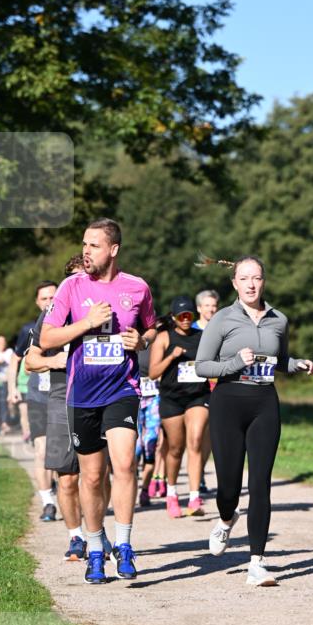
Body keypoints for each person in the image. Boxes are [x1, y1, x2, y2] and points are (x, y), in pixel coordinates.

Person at [40, 219, 156, 584]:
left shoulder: (136, 288)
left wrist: (142, 341)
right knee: (91, 478)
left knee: (124, 464)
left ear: (114, 249)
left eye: (94, 245)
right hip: (82, 395)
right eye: (84, 245)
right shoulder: (72, 286)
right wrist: (86, 322)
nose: (86, 251)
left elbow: (151, 327)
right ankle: (94, 549)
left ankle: (123, 545)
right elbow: (47, 338)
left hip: (121, 390)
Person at [195, 255, 313, 587]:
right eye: (244, 278)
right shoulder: (222, 319)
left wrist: (297, 364)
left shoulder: (279, 319)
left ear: (264, 281)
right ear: (234, 283)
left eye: (257, 278)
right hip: (227, 402)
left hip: (264, 402)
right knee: (229, 487)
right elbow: (202, 366)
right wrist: (234, 362)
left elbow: (278, 360)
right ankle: (225, 519)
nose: (251, 284)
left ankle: (257, 563)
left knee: (261, 482)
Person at [26, 254, 113, 562]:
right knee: (67, 477)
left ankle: (97, 530)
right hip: (62, 397)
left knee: (99, 474)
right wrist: (54, 360)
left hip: (99, 395)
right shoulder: (54, 314)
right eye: (77, 279)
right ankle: (75, 536)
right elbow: (30, 360)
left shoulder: (108, 309)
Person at [149, 296, 211, 517]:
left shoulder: (202, 337)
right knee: (175, 448)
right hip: (172, 398)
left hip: (198, 396)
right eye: (181, 316)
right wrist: (172, 357)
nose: (186, 320)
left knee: (194, 441)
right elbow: (154, 372)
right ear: (174, 317)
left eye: (189, 316)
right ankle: (172, 494)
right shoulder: (164, 338)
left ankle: (194, 497)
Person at [7, 281, 58, 521]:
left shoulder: (69, 326)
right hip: (37, 396)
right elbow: (15, 359)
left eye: (53, 297)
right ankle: (48, 502)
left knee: (62, 452)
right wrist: (12, 389)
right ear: (37, 303)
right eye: (44, 299)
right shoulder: (29, 329)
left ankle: (65, 491)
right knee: (42, 450)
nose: (49, 302)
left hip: (64, 395)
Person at [135, 333, 166, 508]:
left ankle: (145, 490)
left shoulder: (156, 341)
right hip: (132, 398)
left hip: (154, 397)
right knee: (135, 447)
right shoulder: (125, 336)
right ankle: (130, 486)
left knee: (150, 444)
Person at [195, 289, 220, 492]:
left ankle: (200, 472)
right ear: (198, 308)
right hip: (190, 389)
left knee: (209, 435)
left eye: (214, 305)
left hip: (216, 386)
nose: (211, 309)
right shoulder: (191, 329)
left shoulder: (222, 328)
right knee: (194, 435)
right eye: (207, 305)